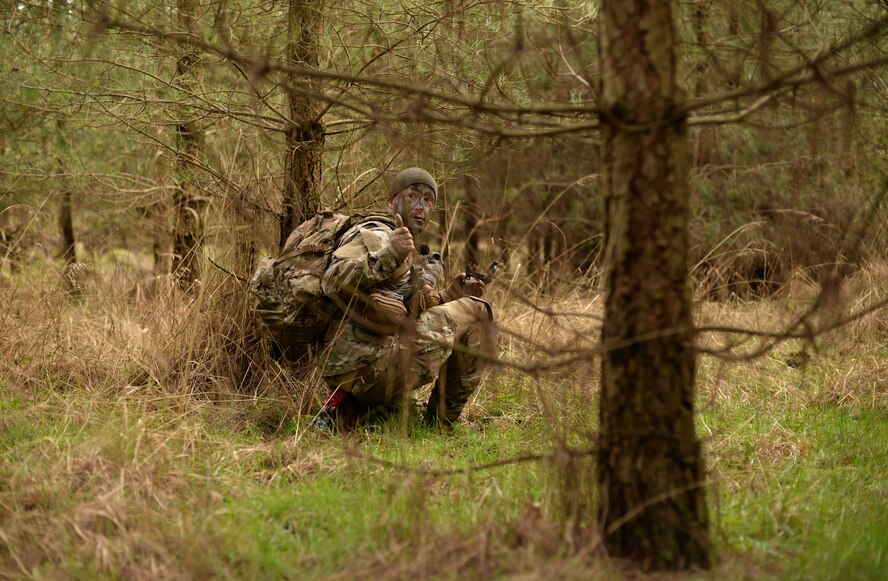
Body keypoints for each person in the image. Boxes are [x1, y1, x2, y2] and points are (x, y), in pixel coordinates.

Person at [314, 167, 495, 430]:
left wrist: (454, 295)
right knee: (477, 313)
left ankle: (356, 410)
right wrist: (389, 254)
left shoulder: (409, 249)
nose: (421, 206)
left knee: (466, 308)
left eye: (428, 200)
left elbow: (408, 312)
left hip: (373, 363)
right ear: (391, 203)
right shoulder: (376, 235)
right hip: (364, 366)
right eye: (413, 196)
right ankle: (441, 424)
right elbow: (331, 281)